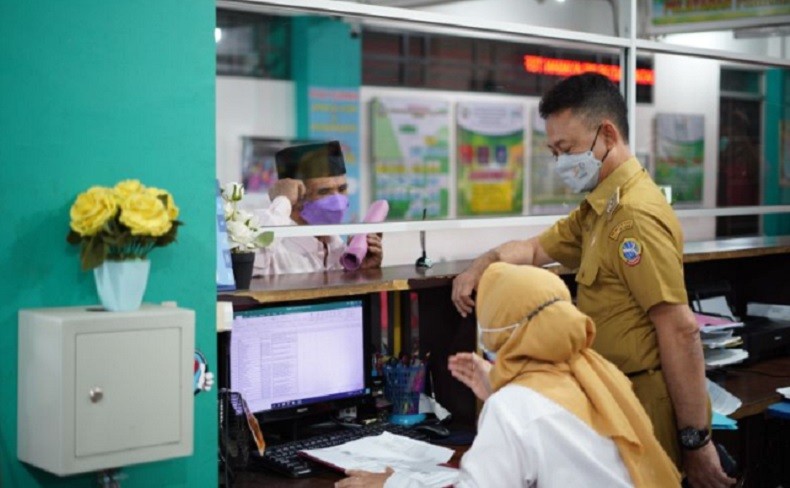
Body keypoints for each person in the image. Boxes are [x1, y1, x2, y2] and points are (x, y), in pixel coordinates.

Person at [451, 73, 734, 487]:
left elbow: (680, 330)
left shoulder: (633, 217)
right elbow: (532, 251)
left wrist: (696, 441)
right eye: (553, 152)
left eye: (566, 149)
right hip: (606, 397)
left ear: (607, 134)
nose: (560, 163)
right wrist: (482, 264)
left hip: (641, 405)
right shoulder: (600, 209)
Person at [336, 264, 681, 488]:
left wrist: (389, 484)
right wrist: (501, 386)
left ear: (502, 330)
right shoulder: (593, 371)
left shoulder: (514, 407)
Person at [253, 141, 383, 275]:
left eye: (342, 189)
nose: (338, 201)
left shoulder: (338, 247)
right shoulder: (277, 249)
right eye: (324, 191)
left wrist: (362, 271)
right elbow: (251, 258)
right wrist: (282, 201)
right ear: (296, 199)